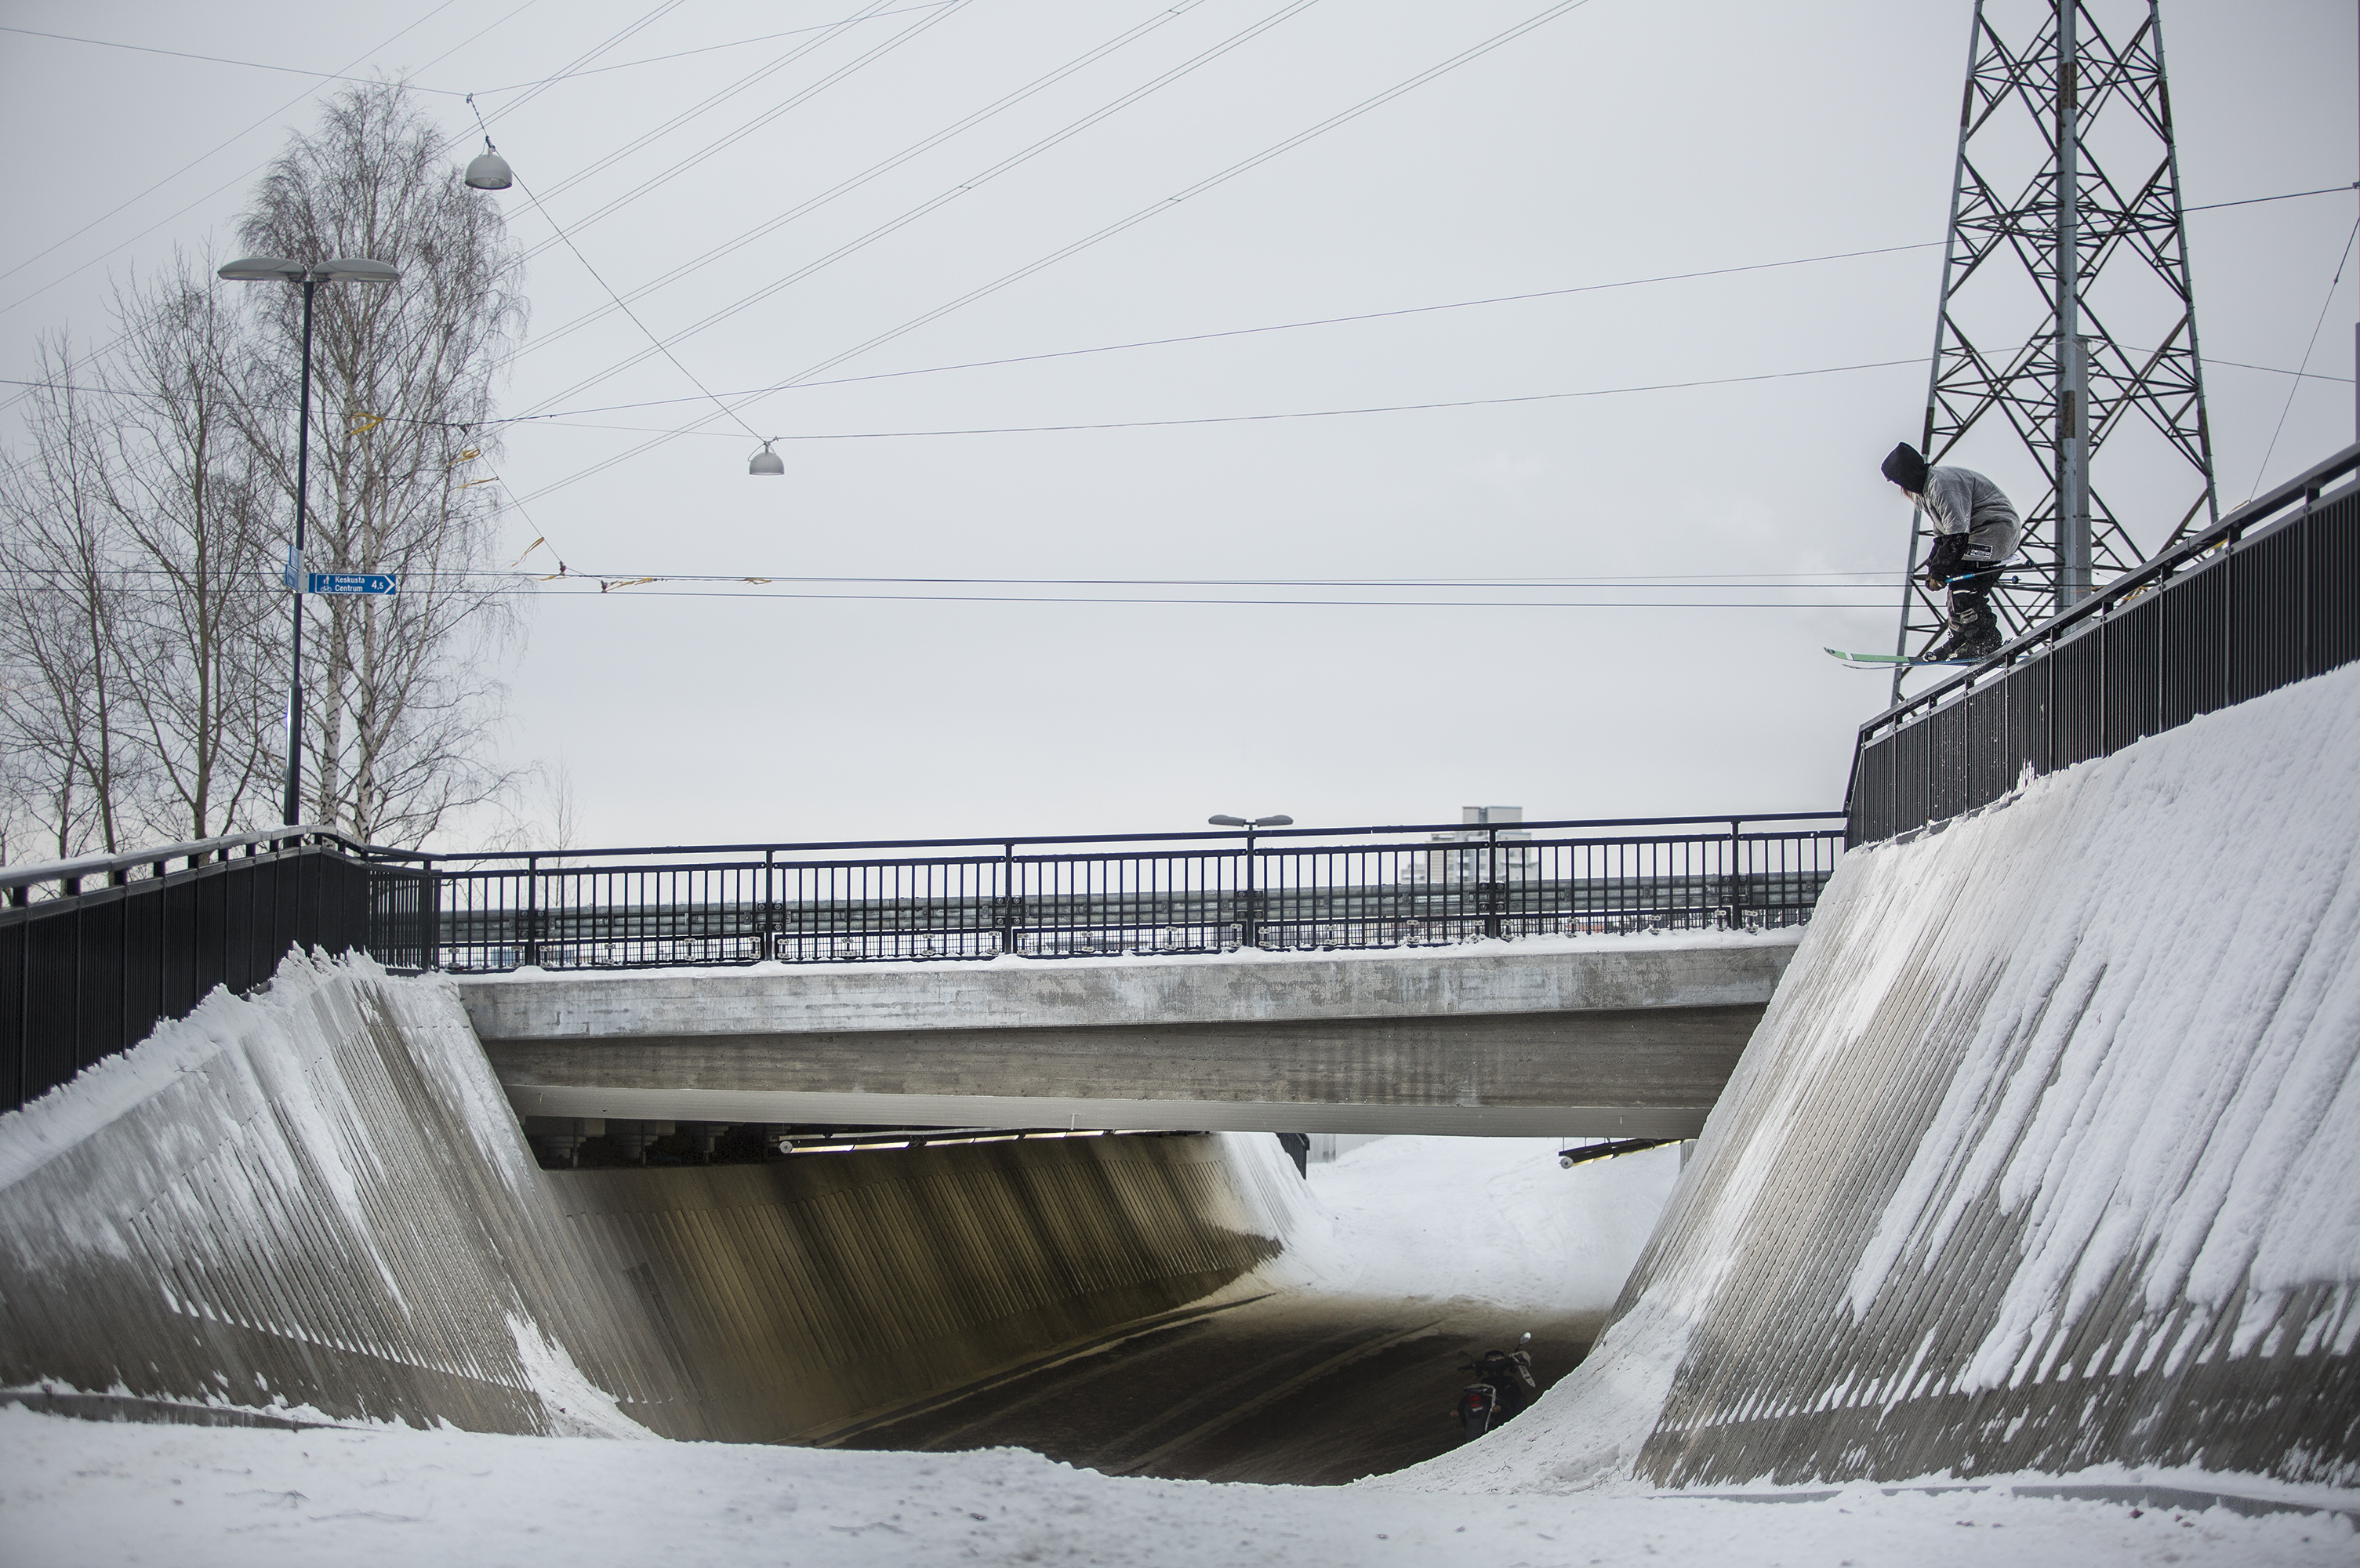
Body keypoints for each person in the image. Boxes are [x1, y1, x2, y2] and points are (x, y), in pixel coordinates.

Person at [1879, 441, 2021, 660]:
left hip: (1994, 530)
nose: (1902, 491)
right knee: (1956, 587)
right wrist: (1933, 569)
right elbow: (1942, 536)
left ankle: (1985, 639)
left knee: (1962, 586)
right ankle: (1962, 637)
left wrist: (1939, 572)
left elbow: (1957, 535)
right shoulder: (1926, 492)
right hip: (1978, 532)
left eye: (1900, 484)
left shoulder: (1941, 485)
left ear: (1905, 477)